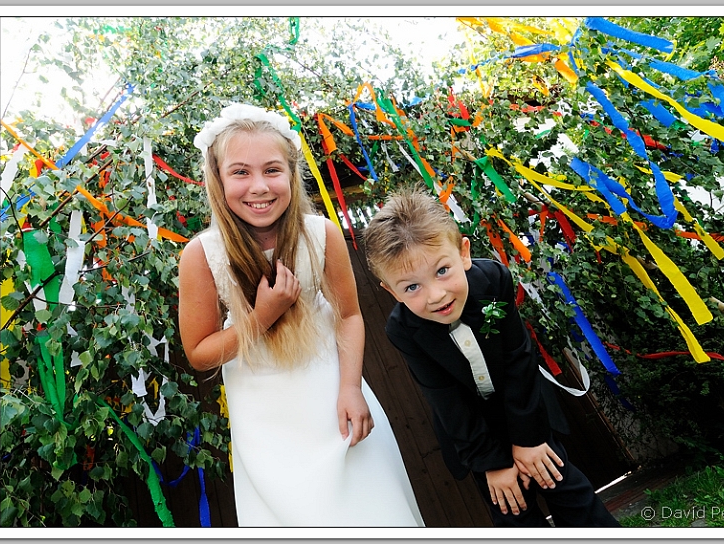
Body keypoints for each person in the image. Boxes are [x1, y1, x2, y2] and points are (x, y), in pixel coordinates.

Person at [177, 104, 424, 527]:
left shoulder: (320, 234)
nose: (259, 186)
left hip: (333, 402)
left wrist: (350, 388)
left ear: (292, 173)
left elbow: (349, 316)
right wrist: (262, 315)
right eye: (240, 172)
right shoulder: (202, 255)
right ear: (217, 180)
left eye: (272, 170)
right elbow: (200, 353)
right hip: (266, 423)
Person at [363, 187, 620, 528]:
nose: (436, 295)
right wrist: (493, 464)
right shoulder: (403, 330)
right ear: (391, 291)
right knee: (512, 509)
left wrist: (528, 441)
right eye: (411, 287)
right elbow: (445, 398)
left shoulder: (493, 279)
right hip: (475, 433)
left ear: (463, 253)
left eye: (442, 271)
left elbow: (518, 360)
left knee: (567, 488)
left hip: (525, 412)